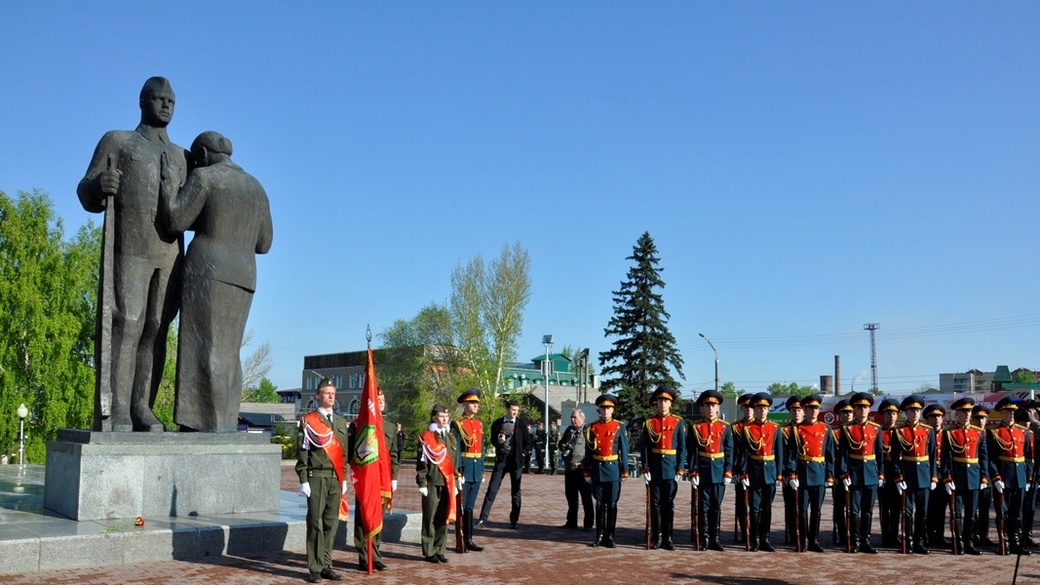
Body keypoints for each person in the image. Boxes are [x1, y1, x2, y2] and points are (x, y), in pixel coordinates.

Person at [77, 76, 190, 432]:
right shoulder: (118, 142)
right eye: (159, 99)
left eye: (171, 100)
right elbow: (85, 190)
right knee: (127, 321)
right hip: (131, 248)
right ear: (143, 102)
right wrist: (97, 186)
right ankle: (118, 407)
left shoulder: (182, 156)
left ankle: (143, 405)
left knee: (157, 328)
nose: (166, 105)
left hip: (169, 251)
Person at [161, 131, 273, 432]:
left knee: (205, 345)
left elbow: (175, 219)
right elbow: (264, 243)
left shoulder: (206, 179)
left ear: (204, 156)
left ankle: (202, 423)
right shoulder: (256, 187)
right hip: (245, 275)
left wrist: (169, 185)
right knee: (229, 349)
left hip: (208, 271)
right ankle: (223, 421)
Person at [296, 378, 350, 583]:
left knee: (330, 523)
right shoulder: (309, 421)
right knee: (315, 523)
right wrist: (303, 478)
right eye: (326, 393)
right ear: (317, 396)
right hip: (317, 476)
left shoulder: (340, 422)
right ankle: (315, 568)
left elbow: (343, 453)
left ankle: (327, 564)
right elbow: (303, 451)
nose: (330, 396)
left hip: (335, 477)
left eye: (333, 394)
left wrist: (343, 476)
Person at [348, 388, 399, 572]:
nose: (382, 402)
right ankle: (364, 556)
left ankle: (376, 554)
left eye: (383, 399)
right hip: (366, 479)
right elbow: (351, 454)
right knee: (363, 519)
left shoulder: (390, 426)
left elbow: (394, 454)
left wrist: (394, 477)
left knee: (378, 518)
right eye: (377, 399)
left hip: (383, 480)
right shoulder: (359, 425)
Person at [784, 393, 834, 553]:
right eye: (810, 408)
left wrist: (830, 475)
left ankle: (814, 540)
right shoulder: (796, 429)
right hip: (803, 473)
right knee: (802, 509)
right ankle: (804, 540)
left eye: (816, 408)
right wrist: (792, 474)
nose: (813, 411)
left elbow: (830, 454)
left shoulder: (826, 429)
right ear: (804, 409)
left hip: (819, 472)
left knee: (817, 510)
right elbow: (791, 454)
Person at [735, 392, 783, 552]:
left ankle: (765, 539)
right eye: (759, 408)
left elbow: (779, 454)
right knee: (754, 508)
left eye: (765, 408)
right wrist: (742, 472)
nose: (762, 411)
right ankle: (755, 539)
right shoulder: (747, 429)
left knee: (767, 508)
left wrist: (779, 474)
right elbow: (742, 454)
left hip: (769, 471)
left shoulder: (775, 428)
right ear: (754, 410)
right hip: (753, 472)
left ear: (768, 410)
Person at [640, 386, 687, 550]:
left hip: (671, 469)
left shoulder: (678, 421)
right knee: (656, 504)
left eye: (666, 401)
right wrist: (645, 467)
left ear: (671, 403)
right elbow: (644, 447)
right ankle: (658, 536)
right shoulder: (649, 422)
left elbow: (682, 447)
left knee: (669, 503)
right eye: (660, 401)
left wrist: (680, 468)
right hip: (654, 469)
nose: (663, 404)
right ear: (657, 402)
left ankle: (668, 537)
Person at [941, 397, 989, 555]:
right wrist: (947, 477)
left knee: (971, 513)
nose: (967, 414)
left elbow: (983, 457)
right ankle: (958, 542)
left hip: (974, 477)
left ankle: (969, 542)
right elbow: (946, 459)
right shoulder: (950, 434)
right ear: (957, 414)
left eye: (969, 411)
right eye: (964, 411)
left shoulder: (979, 433)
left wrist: (984, 476)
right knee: (956, 513)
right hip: (958, 477)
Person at [837, 391, 883, 554]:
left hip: (871, 473)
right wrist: (843, 473)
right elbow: (843, 453)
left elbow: (879, 453)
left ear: (869, 410)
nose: (862, 410)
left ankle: (866, 541)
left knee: (868, 510)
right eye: (859, 407)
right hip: (854, 475)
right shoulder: (847, 429)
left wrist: (881, 474)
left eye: (865, 407)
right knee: (854, 510)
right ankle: (855, 541)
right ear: (854, 410)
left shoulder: (876, 429)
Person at [687, 389, 733, 551]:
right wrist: (693, 472)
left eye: (713, 405)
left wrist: (728, 471)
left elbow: (729, 451)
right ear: (702, 408)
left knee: (716, 505)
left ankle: (715, 538)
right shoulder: (696, 427)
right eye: (707, 405)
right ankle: (704, 537)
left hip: (719, 472)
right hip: (703, 471)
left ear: (718, 408)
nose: (711, 409)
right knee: (703, 506)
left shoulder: (725, 427)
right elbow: (692, 452)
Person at [989, 397, 1035, 555]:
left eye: (1013, 412)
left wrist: (1028, 477)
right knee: (1003, 512)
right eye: (1008, 411)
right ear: (1001, 412)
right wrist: (995, 477)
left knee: (1017, 513)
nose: (1011, 414)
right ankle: (1004, 541)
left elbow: (1028, 456)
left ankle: (1015, 542)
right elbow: (991, 458)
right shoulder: (995, 433)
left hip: (1020, 477)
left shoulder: (1024, 432)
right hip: (1004, 477)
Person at [892, 395, 937, 555]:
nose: (915, 413)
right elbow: (895, 457)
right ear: (906, 413)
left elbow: (933, 456)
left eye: (917, 410)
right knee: (907, 512)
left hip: (924, 475)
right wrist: (898, 477)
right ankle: (908, 541)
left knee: (922, 512)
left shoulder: (928, 430)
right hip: (908, 475)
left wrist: (933, 476)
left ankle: (919, 541)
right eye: (912, 411)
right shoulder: (899, 432)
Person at [477, 400, 531, 529]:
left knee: (516, 492)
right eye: (512, 410)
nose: (514, 413)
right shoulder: (497, 423)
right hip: (502, 460)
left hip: (516, 462)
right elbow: (492, 440)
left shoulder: (521, 424)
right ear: (507, 409)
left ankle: (514, 520)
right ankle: (482, 519)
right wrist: (499, 441)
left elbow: (528, 442)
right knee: (492, 490)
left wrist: (523, 454)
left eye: (516, 411)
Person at [417, 404, 460, 563]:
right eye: (442, 416)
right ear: (434, 418)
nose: (445, 419)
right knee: (430, 517)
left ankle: (440, 549)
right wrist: (422, 482)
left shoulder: (450, 437)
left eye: (446, 417)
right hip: (431, 482)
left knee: (443, 517)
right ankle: (429, 551)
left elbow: (453, 461)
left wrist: (456, 479)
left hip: (447, 482)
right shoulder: (426, 437)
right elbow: (422, 462)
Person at [584, 394, 629, 548]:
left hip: (614, 469)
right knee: (599, 504)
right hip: (597, 469)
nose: (605, 411)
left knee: (612, 504)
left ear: (613, 410)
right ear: (599, 410)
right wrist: (587, 471)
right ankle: (599, 536)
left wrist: (625, 471)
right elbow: (588, 451)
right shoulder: (592, 427)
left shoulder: (619, 426)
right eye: (603, 408)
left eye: (608, 408)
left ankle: (610, 536)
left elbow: (624, 449)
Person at [450, 388, 485, 552]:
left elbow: (481, 449)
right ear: (464, 405)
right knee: (461, 507)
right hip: (464, 470)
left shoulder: (479, 424)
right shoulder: (457, 424)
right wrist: (457, 471)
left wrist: (482, 469)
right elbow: (455, 449)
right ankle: (461, 540)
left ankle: (469, 539)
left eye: (476, 403)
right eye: (472, 402)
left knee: (470, 507)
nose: (475, 405)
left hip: (476, 470)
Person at [559, 409, 593, 530]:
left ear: (582, 418)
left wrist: (585, 463)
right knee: (571, 497)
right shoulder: (569, 430)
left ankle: (588, 524)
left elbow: (592, 449)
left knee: (586, 498)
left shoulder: (588, 430)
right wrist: (563, 446)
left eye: (575, 417)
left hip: (582, 470)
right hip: (570, 469)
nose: (573, 419)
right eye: (571, 417)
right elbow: (561, 443)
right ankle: (571, 522)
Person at [924, 403, 950, 549]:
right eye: (933, 416)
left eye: (939, 416)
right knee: (928, 508)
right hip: (927, 474)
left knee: (941, 508)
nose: (936, 419)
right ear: (927, 419)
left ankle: (940, 535)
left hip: (943, 474)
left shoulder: (947, 434)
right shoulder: (925, 433)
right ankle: (927, 534)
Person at [877, 398, 902, 548]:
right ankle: (885, 536)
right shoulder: (878, 431)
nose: (891, 416)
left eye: (894, 413)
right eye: (888, 413)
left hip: (898, 472)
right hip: (883, 471)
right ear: (883, 415)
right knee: (884, 507)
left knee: (897, 507)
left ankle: (894, 535)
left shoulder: (902, 431)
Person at [780, 396, 804, 547]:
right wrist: (785, 474)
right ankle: (791, 533)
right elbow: (782, 454)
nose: (796, 413)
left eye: (799, 410)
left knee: (803, 507)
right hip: (789, 475)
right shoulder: (785, 431)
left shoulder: (808, 429)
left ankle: (803, 535)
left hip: (806, 472)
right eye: (793, 410)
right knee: (790, 506)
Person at [831, 399, 854, 549]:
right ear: (839, 414)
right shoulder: (834, 432)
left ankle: (853, 533)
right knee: (839, 506)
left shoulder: (857, 430)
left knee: (854, 507)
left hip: (856, 475)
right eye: (844, 412)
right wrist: (834, 475)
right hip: (839, 476)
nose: (848, 415)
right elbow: (831, 456)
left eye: (850, 412)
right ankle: (841, 532)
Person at [971, 405, 995, 548]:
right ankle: (973, 536)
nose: (981, 421)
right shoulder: (972, 433)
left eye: (983, 418)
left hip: (989, 477)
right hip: (973, 475)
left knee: (985, 509)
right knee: (972, 509)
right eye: (978, 418)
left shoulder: (991, 435)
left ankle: (984, 536)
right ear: (973, 419)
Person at [731, 393, 752, 544]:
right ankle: (745, 531)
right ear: (742, 408)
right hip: (740, 471)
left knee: (758, 504)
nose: (749, 410)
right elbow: (732, 451)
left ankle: (757, 532)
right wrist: (734, 471)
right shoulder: (735, 427)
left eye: (752, 407)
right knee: (741, 503)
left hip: (758, 470)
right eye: (746, 407)